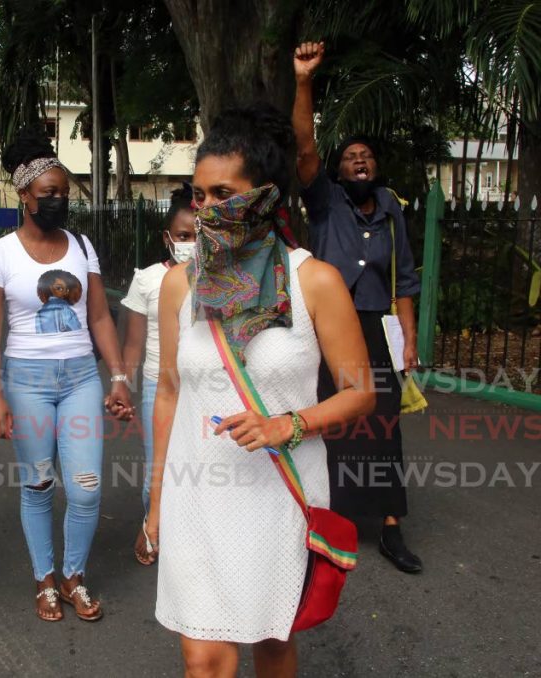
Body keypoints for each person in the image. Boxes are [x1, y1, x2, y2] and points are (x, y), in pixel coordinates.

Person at [145, 103, 375, 677]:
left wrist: (287, 425)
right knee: (204, 658)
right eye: (198, 196)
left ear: (266, 195)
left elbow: (360, 392)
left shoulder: (313, 281)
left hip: (278, 489)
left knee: (271, 642)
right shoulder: (180, 284)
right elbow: (170, 393)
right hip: (195, 487)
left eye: (223, 193)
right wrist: (155, 501)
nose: (206, 210)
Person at [0, 126, 134, 624]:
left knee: (86, 487)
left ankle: (74, 576)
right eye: (49, 194)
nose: (59, 201)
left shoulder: (82, 246)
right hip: (26, 381)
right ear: (24, 196)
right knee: (40, 484)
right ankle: (45, 580)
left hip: (81, 377)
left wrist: (119, 378)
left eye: (64, 193)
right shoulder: (0, 253)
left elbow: (101, 317)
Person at [292, 41, 424, 573]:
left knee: (384, 425)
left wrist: (409, 340)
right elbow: (303, 149)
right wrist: (304, 81)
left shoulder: (392, 210)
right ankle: (329, 522)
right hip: (328, 328)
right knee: (333, 421)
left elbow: (407, 279)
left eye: (365, 155)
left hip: (379, 328)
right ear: (338, 170)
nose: (359, 160)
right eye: (349, 157)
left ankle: (391, 527)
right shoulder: (325, 204)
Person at [119, 187, 196, 566]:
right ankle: (152, 524)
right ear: (168, 238)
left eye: (198, 236)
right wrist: (123, 384)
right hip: (156, 385)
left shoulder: (221, 281)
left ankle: (191, 533)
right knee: (159, 464)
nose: (191, 245)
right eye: (183, 237)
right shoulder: (147, 280)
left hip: (203, 387)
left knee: (200, 463)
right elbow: (133, 343)